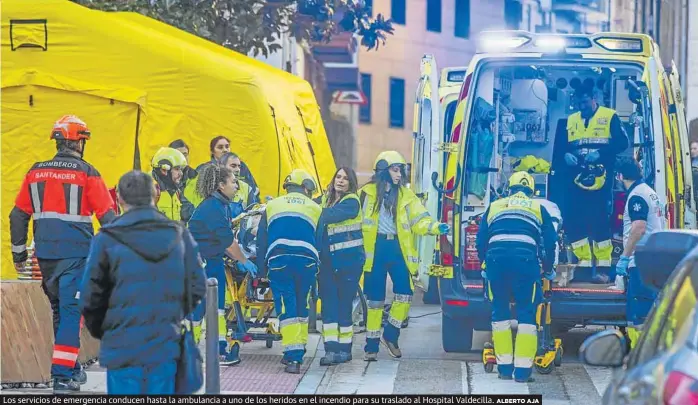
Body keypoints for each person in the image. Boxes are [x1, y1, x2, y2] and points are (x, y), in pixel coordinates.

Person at [9, 115, 116, 393]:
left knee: (60, 311)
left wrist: (19, 254)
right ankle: (61, 376)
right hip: (77, 256)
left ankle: (71, 367)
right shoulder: (87, 172)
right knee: (71, 314)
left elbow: (18, 214)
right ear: (78, 142)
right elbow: (108, 218)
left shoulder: (35, 172)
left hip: (45, 257)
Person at [79, 171, 206, 394]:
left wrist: (105, 330)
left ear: (118, 198)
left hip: (122, 346)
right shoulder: (178, 235)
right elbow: (197, 286)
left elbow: (91, 295)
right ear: (155, 194)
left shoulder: (106, 238)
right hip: (165, 343)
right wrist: (175, 314)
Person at [360, 151, 449, 361]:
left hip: (397, 248)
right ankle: (371, 346)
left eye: (401, 170)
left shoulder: (406, 196)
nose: (400, 174)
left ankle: (391, 335)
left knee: (405, 294)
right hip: (375, 249)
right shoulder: (365, 193)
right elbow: (354, 221)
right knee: (375, 301)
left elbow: (419, 220)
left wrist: (436, 227)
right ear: (383, 170)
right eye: (395, 169)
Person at [476, 171, 557, 383]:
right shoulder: (539, 207)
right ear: (531, 191)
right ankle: (522, 373)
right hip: (525, 264)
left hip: (496, 262)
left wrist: (485, 262)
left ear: (509, 188)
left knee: (500, 312)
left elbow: (481, 239)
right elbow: (550, 241)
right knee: (527, 314)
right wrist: (548, 268)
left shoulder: (494, 206)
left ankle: (504, 369)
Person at [187, 164, 256, 366]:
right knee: (198, 310)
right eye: (233, 181)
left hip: (211, 262)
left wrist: (238, 257)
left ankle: (218, 349)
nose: (237, 185)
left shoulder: (220, 206)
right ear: (220, 185)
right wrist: (243, 260)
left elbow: (223, 242)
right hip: (200, 264)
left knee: (216, 309)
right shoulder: (212, 208)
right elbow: (227, 241)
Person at [255, 169, 322, 374]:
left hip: (279, 260)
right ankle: (298, 348)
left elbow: (261, 240)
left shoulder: (272, 205)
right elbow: (320, 240)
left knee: (287, 307)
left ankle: (293, 358)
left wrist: (261, 270)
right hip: (307, 262)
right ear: (306, 188)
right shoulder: (316, 208)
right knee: (302, 304)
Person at [564, 85, 629, 283]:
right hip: (577, 178)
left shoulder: (610, 116)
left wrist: (600, 154)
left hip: (602, 178)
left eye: (585, 102)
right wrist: (566, 155)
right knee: (575, 220)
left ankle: (603, 269)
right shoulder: (572, 119)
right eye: (578, 103)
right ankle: (582, 268)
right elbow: (564, 147)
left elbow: (622, 143)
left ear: (594, 98)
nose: (582, 106)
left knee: (600, 221)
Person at [613, 156, 665, 348]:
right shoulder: (649, 192)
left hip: (641, 262)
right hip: (652, 259)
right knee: (648, 311)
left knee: (639, 316)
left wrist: (625, 257)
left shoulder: (636, 195)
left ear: (620, 176)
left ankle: (640, 357)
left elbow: (639, 228)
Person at [316, 167, 364, 366]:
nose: (341, 181)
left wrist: (313, 209)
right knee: (328, 306)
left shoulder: (352, 201)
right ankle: (330, 350)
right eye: (338, 177)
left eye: (345, 178)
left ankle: (345, 350)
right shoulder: (325, 200)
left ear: (351, 183)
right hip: (326, 264)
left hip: (348, 263)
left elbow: (328, 216)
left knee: (344, 306)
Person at [151, 147, 187, 221]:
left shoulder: (176, 191)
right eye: (177, 169)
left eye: (181, 169)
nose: (181, 173)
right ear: (163, 170)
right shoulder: (150, 191)